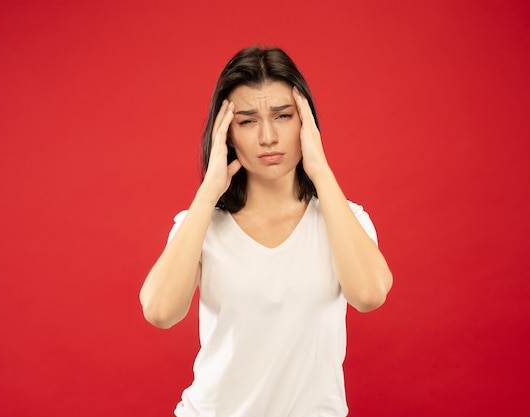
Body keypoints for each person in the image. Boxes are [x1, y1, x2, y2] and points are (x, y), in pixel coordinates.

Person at [140, 45, 393, 417]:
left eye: (283, 116)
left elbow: (369, 295)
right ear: (226, 134)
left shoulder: (343, 219)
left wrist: (320, 169)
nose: (268, 137)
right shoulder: (201, 226)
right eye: (247, 121)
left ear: (304, 121)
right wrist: (208, 192)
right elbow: (159, 311)